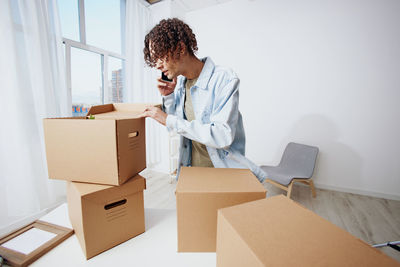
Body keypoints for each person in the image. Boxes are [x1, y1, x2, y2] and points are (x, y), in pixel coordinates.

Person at [141, 18, 266, 182]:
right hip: (192, 170)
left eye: (160, 56)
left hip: (223, 173)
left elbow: (222, 135)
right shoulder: (180, 85)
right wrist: (168, 96)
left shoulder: (224, 79)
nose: (157, 65)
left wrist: (168, 119)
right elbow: (174, 126)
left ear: (180, 48)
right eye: (154, 58)